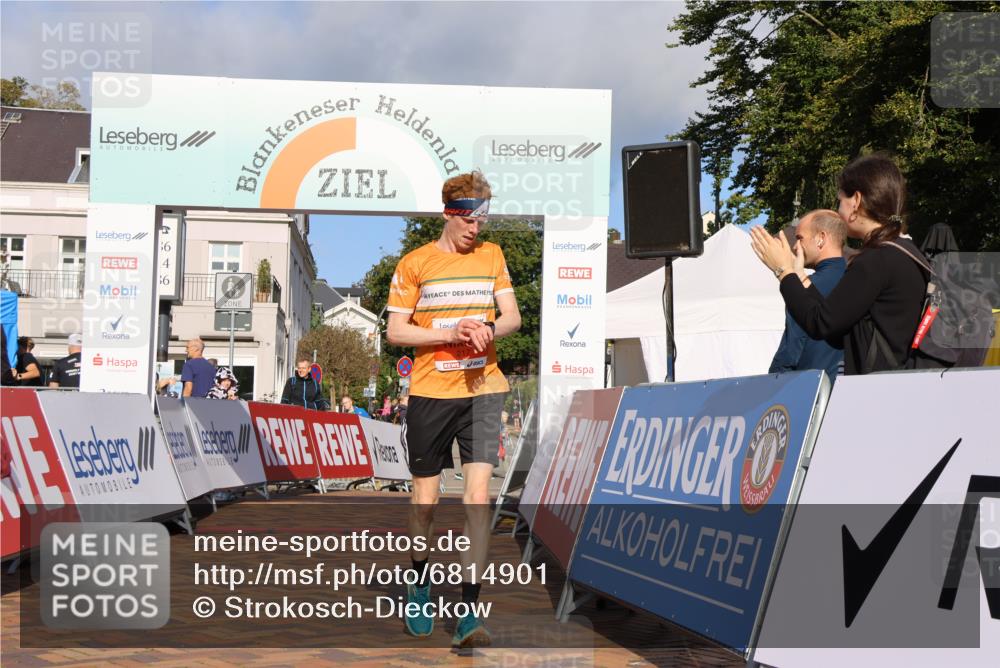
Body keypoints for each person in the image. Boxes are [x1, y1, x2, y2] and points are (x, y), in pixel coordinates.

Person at [386, 170, 521, 648]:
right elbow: (397, 332)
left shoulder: (492, 256)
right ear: (449, 213)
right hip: (430, 393)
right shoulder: (414, 263)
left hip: (484, 388)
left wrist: (487, 327)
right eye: (468, 219)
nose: (476, 229)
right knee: (425, 503)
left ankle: (468, 610)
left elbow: (512, 317)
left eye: (482, 220)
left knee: (478, 498)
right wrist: (450, 333)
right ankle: (419, 582)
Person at [751, 153, 927, 375]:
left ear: (856, 201)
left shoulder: (875, 260)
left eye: (840, 201)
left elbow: (820, 323)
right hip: (899, 387)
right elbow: (834, 324)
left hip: (877, 394)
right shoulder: (907, 253)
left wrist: (783, 271)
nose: (838, 210)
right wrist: (800, 276)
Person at [768, 210, 848, 380]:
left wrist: (772, 383)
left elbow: (791, 352)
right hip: (850, 387)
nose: (795, 246)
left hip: (811, 391)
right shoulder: (857, 282)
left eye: (800, 238)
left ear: (821, 238)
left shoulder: (804, 288)